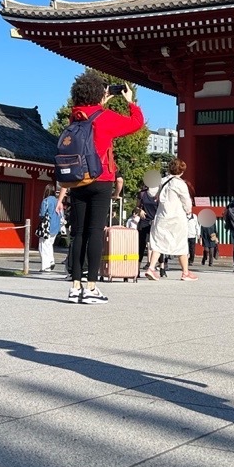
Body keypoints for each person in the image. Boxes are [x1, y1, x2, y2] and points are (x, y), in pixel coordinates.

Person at [58, 72, 145, 304]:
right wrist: (130, 102)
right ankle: (91, 287)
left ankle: (75, 286)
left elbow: (88, 116)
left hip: (78, 179)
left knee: (78, 234)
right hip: (101, 178)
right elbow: (136, 123)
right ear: (100, 93)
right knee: (95, 231)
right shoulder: (105, 117)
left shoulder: (74, 117)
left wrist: (99, 102)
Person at [144, 159, 197, 281]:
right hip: (177, 217)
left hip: (162, 216)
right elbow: (186, 201)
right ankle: (185, 272)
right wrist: (189, 211)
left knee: (158, 243)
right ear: (182, 171)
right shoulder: (180, 184)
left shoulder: (162, 181)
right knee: (181, 244)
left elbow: (151, 192)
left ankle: (151, 268)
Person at [37, 187, 61, 272]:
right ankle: (51, 260)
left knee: (43, 245)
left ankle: (46, 265)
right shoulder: (58, 201)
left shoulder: (46, 201)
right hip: (56, 226)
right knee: (50, 244)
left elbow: (42, 214)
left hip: (47, 226)